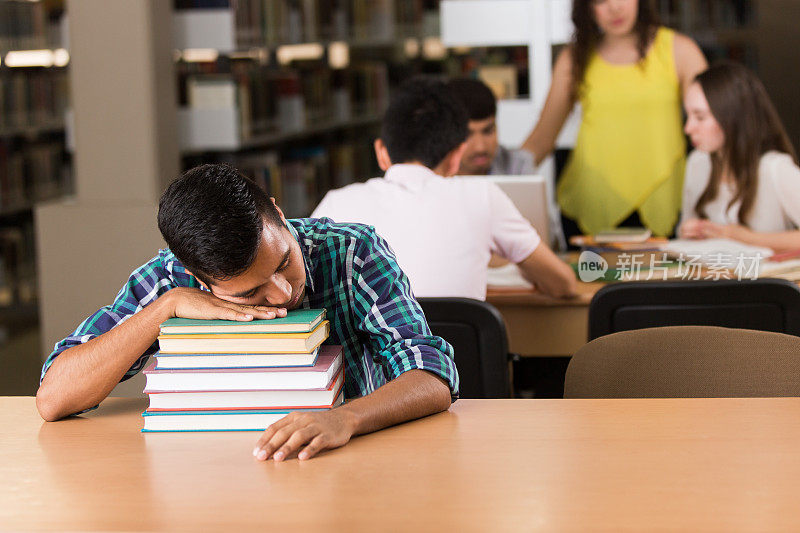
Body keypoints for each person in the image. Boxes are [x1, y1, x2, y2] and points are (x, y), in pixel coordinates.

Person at [36, 164, 459, 462]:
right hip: (219, 467)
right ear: (199, 279)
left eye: (283, 263)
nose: (281, 295)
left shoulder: (353, 251)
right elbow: (54, 397)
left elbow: (433, 376)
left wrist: (345, 418)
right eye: (250, 291)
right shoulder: (168, 279)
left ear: (276, 212)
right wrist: (164, 310)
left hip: (356, 457)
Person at [312, 77, 576, 300]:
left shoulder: (336, 205)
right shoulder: (482, 196)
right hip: (456, 360)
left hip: (371, 361)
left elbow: (298, 288)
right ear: (456, 157)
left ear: (382, 152)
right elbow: (563, 283)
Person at [521, 0, 707, 236]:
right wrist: (490, 182)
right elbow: (541, 141)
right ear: (586, 7)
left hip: (667, 201)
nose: (615, 8)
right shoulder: (575, 58)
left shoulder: (680, 50)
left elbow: (714, 123)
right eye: (601, 1)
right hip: (589, 203)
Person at [679, 62, 800, 253]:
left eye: (700, 117)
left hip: (766, 281)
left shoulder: (775, 168)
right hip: (713, 279)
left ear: (732, 117)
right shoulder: (698, 162)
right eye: (688, 116)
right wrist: (691, 231)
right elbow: (684, 232)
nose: (688, 128)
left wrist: (746, 238)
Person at [446, 77, 535, 176]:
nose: (480, 148)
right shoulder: (429, 175)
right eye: (467, 135)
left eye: (488, 131)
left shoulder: (517, 164)